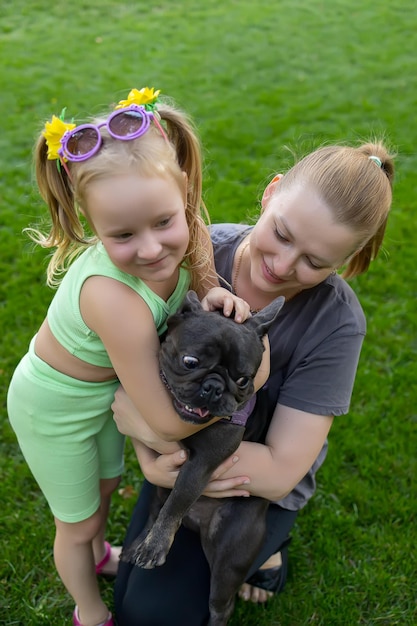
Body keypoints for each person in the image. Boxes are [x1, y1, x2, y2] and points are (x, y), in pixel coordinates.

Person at [112, 141, 395, 625]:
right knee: (134, 604)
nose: (284, 266)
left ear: (345, 262)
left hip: (254, 484)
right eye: (282, 235)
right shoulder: (191, 255)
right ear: (271, 192)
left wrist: (164, 452)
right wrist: (150, 455)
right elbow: (126, 370)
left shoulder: (337, 322)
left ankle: (268, 547)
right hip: (180, 460)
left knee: (154, 617)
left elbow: (282, 469)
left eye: (315, 261)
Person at [6, 87, 253, 626]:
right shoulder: (114, 299)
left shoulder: (184, 233)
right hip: (54, 406)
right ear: (91, 226)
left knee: (104, 489)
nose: (150, 249)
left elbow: (199, 245)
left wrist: (211, 285)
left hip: (99, 396)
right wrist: (232, 398)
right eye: (121, 235)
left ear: (183, 193)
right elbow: (167, 421)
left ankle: (98, 555)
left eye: (164, 221)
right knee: (76, 520)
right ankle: (90, 612)